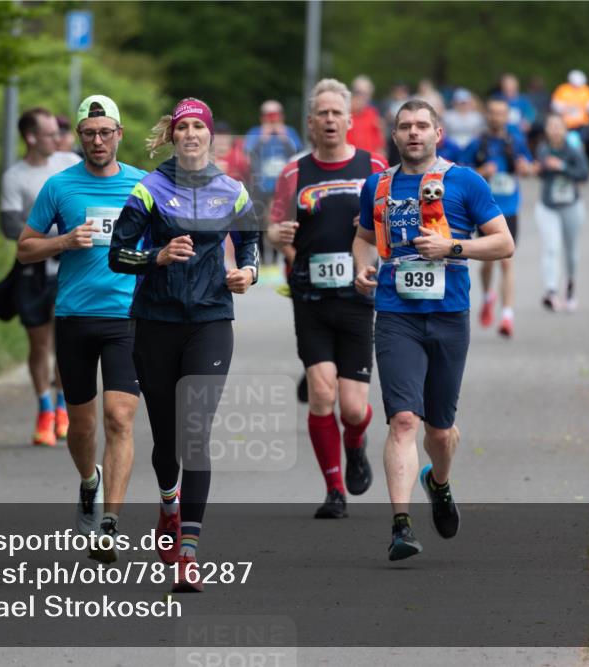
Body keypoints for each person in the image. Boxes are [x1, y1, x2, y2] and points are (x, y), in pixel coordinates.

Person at [109, 97, 260, 592]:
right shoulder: (148, 190)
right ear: (173, 136)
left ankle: (188, 553)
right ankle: (168, 502)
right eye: (183, 127)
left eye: (199, 126)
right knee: (167, 440)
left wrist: (248, 272)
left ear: (210, 135)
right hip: (155, 322)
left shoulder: (232, 191)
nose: (191, 134)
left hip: (211, 320)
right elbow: (118, 256)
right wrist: (157, 255)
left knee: (195, 431)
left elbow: (252, 242)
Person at [353, 99, 514, 561]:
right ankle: (401, 526)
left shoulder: (464, 181)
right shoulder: (377, 185)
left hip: (448, 316)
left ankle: (438, 482)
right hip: (396, 316)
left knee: (440, 432)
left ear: (438, 133)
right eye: (405, 126)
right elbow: (364, 239)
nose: (413, 133)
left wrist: (453, 247)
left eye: (422, 125)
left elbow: (504, 242)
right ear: (395, 134)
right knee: (404, 420)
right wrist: (363, 269)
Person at [17, 96, 145, 562]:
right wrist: (63, 241)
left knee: (119, 418)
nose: (97, 140)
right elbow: (25, 249)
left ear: (119, 134)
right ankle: (89, 482)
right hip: (74, 317)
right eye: (89, 133)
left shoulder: (142, 186)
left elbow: (168, 242)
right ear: (80, 136)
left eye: (105, 132)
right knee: (83, 426)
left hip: (127, 319)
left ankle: (109, 523)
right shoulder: (59, 186)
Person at [266, 79, 388, 519]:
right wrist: (278, 237)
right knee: (321, 393)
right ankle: (334, 490)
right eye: (323, 114)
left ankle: (356, 445)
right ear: (311, 124)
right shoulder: (294, 173)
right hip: (312, 297)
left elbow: (392, 222)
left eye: (338, 113)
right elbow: (275, 224)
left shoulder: (374, 166)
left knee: (354, 407)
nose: (331, 120)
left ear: (351, 121)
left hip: (358, 296)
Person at [0, 107, 81, 446]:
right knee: (39, 343)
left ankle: (62, 406)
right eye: (50, 133)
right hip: (34, 272)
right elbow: (11, 226)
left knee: (65, 343)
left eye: (58, 132)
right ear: (31, 138)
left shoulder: (69, 165)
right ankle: (44, 408)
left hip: (69, 270)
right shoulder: (15, 177)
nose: (58, 138)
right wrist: (55, 240)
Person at [463, 98, 534, 338]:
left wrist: (526, 168)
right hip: (484, 210)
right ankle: (487, 297)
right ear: (487, 116)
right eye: (493, 113)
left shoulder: (516, 142)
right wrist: (482, 172)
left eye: (501, 113)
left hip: (510, 208)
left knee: (506, 259)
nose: (497, 117)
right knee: (488, 262)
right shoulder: (477, 143)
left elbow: (529, 167)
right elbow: (461, 173)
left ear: (507, 117)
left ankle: (507, 315)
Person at [534, 114, 589, 312]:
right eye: (551, 126)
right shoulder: (543, 149)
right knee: (551, 247)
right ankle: (551, 291)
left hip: (572, 206)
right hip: (547, 206)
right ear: (547, 130)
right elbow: (539, 173)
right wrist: (540, 167)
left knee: (571, 251)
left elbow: (585, 175)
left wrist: (562, 166)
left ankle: (570, 287)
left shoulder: (573, 151)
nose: (555, 130)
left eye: (559, 126)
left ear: (564, 130)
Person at [244, 100, 302, 264]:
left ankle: (278, 258)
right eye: (268, 115)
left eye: (275, 114)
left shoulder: (289, 132)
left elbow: (298, 153)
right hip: (261, 185)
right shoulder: (255, 133)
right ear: (262, 117)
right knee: (261, 221)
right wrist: (262, 138)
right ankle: (262, 259)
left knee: (281, 221)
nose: (272, 119)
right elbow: (247, 154)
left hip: (282, 186)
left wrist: (284, 137)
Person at [551, 70, 589, 146]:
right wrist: (567, 108)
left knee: (580, 145)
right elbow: (555, 106)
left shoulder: (587, 91)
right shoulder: (563, 90)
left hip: (582, 125)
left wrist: (586, 107)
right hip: (565, 124)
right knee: (565, 145)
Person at [347, 75, 385, 154]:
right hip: (349, 159)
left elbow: (380, 144)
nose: (361, 97)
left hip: (370, 159)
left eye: (365, 94)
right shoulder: (344, 114)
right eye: (358, 92)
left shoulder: (373, 113)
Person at [442, 88, 485, 152]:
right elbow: (444, 134)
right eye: (461, 103)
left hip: (472, 148)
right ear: (455, 102)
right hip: (451, 147)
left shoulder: (477, 117)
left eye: (465, 103)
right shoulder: (447, 116)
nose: (463, 105)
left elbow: (479, 134)